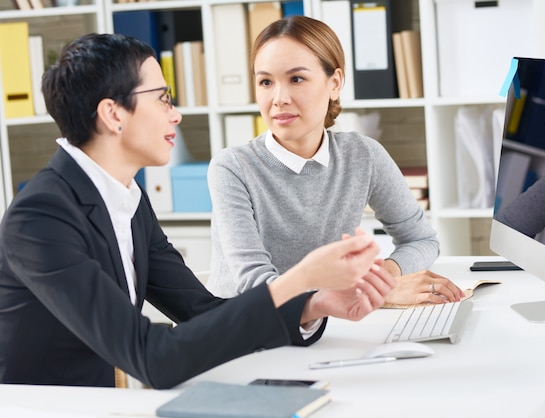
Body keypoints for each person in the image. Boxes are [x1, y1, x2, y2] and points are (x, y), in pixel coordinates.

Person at [0, 33, 397, 389]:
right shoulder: (40, 217)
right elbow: (152, 358)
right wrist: (298, 279)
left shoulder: (127, 197)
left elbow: (200, 311)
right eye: (162, 99)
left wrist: (315, 303)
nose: (176, 114)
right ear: (113, 114)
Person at [207, 16, 464, 306]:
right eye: (265, 82)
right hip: (246, 329)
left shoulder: (363, 155)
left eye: (296, 79)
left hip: (326, 320)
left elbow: (421, 240)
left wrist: (384, 279)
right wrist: (372, 292)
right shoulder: (232, 168)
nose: (279, 98)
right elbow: (257, 287)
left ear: (335, 83)